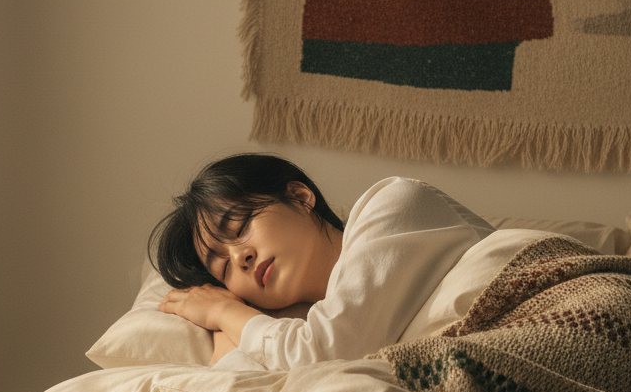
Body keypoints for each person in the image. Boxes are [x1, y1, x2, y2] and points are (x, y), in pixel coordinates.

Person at [151, 152, 500, 367]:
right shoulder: (291, 329)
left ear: (300, 197)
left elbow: (325, 354)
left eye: (240, 225)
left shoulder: (394, 202)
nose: (240, 256)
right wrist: (230, 324)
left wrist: (223, 312)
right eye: (223, 267)